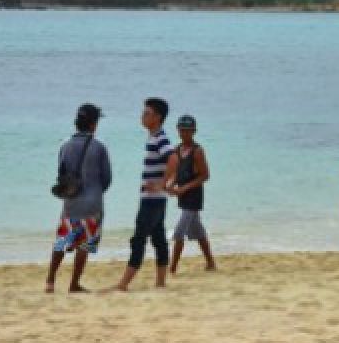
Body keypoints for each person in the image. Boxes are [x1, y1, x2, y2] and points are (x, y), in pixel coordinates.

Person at [46, 103, 112, 294]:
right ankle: (74, 284)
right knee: (84, 243)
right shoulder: (99, 147)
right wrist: (96, 190)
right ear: (93, 124)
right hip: (92, 204)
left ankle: (50, 281)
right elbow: (107, 178)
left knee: (62, 240)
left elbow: (61, 173)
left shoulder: (65, 146)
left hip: (71, 202)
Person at [112, 98, 175, 292]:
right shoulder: (154, 137)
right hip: (155, 199)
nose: (143, 116)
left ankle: (124, 284)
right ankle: (160, 282)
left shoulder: (160, 138)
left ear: (157, 117)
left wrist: (161, 184)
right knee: (158, 238)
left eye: (147, 113)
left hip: (153, 200)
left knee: (139, 239)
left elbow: (173, 159)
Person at [166, 114, 216, 274]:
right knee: (198, 231)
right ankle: (210, 263)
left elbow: (205, 175)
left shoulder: (197, 151)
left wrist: (185, 188)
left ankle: (172, 268)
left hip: (194, 197)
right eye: (181, 130)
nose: (184, 133)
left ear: (194, 131)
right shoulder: (177, 150)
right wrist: (171, 185)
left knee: (179, 232)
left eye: (187, 131)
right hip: (183, 196)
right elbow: (176, 172)